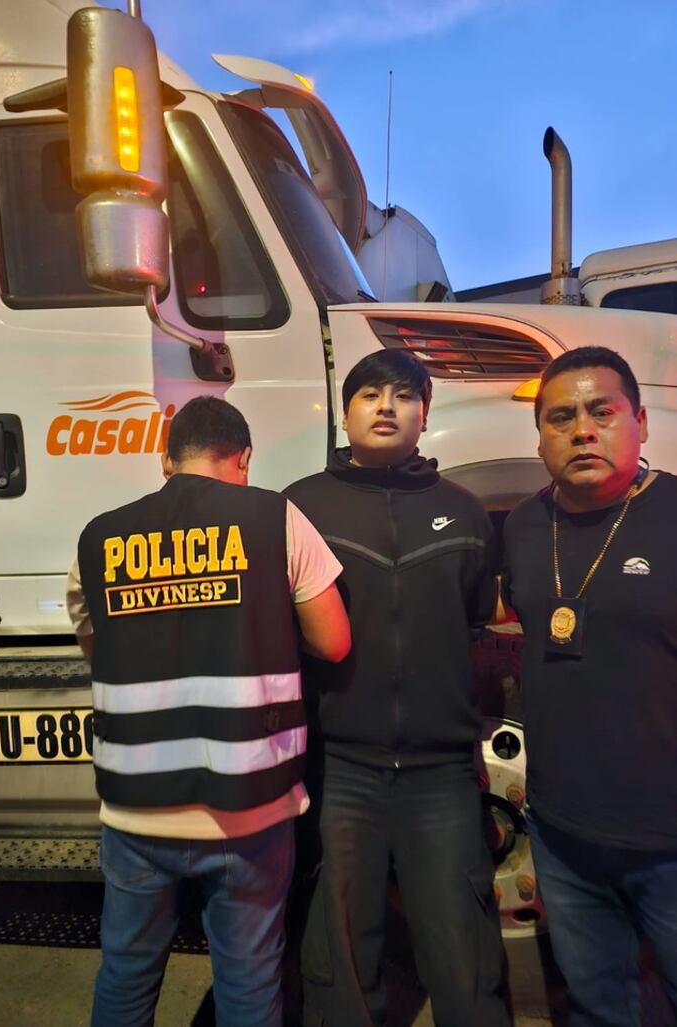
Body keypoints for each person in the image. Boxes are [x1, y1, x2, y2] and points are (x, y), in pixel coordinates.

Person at [66, 396, 350, 1027]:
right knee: (248, 980)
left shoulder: (97, 537)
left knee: (126, 972)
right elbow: (334, 641)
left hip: (137, 808)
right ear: (243, 458)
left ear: (166, 460)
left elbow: (98, 650)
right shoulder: (274, 517)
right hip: (249, 807)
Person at [285, 349, 509, 1027]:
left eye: (404, 395)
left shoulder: (465, 513)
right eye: (370, 394)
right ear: (344, 413)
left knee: (466, 963)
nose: (386, 406)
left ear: (425, 414)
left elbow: (477, 625)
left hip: (440, 774)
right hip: (341, 768)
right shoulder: (299, 508)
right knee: (341, 965)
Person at [502, 346, 677, 1026]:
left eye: (601, 412)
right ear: (539, 437)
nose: (582, 430)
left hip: (668, 834)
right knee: (597, 1006)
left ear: (640, 422)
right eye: (561, 417)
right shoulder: (523, 525)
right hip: (562, 830)